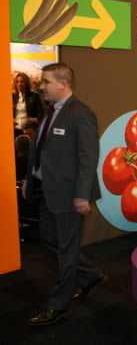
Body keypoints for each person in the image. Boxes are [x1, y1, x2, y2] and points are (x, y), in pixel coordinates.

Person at [22, 63, 106, 326]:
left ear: (63, 83)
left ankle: (58, 306)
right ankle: (90, 275)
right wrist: (29, 179)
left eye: (46, 81)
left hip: (70, 195)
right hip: (47, 190)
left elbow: (88, 157)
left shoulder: (81, 113)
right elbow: (39, 150)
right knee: (49, 239)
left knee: (67, 251)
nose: (42, 87)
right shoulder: (50, 111)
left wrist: (81, 195)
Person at [12, 72, 44, 137]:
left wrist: (34, 119)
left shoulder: (34, 96)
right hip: (15, 129)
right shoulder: (12, 96)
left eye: (22, 82)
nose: (19, 84)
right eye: (17, 82)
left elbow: (41, 113)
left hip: (28, 130)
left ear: (26, 83)